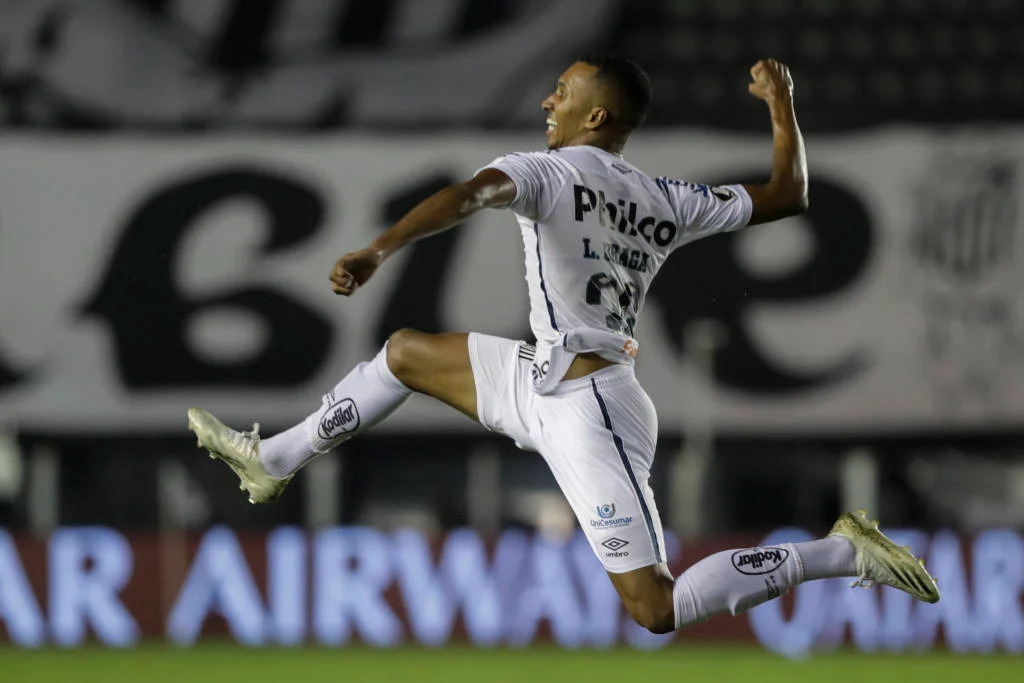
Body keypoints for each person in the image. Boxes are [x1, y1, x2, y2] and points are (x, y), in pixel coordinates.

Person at [188, 56, 939, 634]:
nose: (549, 101)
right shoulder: (665, 198)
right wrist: (783, 104)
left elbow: (467, 195)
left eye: (562, 92)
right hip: (541, 376)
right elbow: (788, 194)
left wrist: (379, 250)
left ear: (596, 114)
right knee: (407, 353)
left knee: (655, 607)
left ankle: (842, 551)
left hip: (593, 408)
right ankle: (274, 459)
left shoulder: (545, 172)